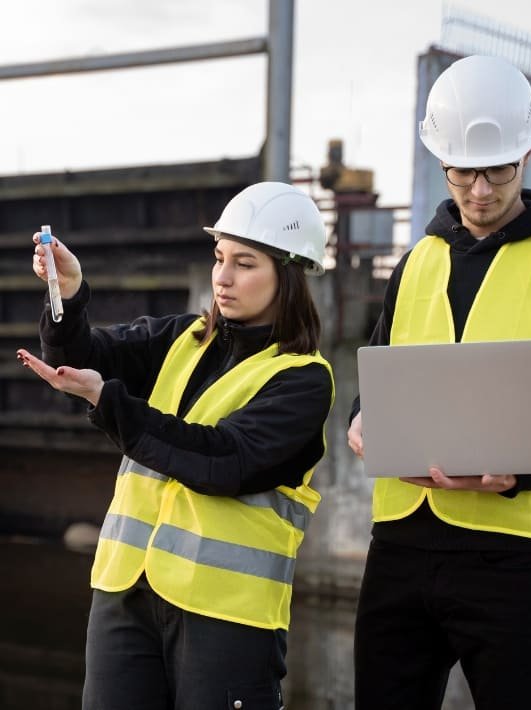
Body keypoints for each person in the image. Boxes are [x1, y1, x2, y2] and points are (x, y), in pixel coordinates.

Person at [17, 181, 335, 710]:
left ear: (291, 273)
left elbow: (223, 460)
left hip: (226, 617)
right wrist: (68, 295)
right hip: (125, 594)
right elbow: (82, 356)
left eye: (245, 263)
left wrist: (108, 401)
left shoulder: (303, 380)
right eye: (219, 258)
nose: (223, 278)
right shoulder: (180, 339)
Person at [348, 55, 531, 710]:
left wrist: (522, 474)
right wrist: (363, 418)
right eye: (463, 171)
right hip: (403, 547)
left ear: (527, 153)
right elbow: (386, 362)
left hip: (520, 556)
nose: (478, 190)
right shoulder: (416, 260)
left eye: (496, 170)